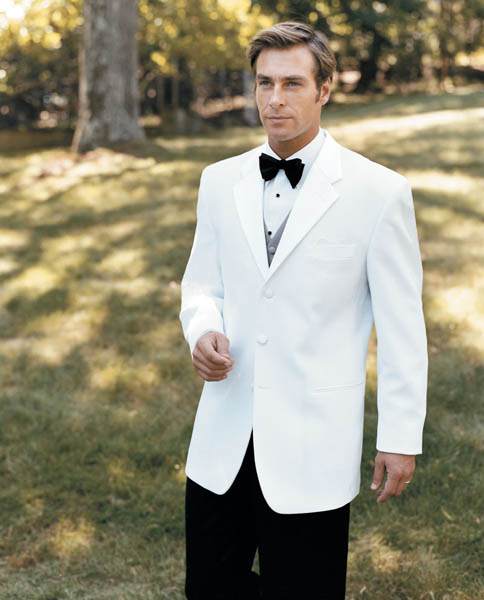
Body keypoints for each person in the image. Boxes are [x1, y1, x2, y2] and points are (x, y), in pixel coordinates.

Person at [179, 21, 428, 600]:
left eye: (292, 84)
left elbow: (402, 329)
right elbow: (201, 286)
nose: (275, 99)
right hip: (222, 440)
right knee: (209, 588)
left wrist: (399, 437)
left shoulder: (379, 192)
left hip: (313, 445)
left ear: (324, 90)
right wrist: (203, 328)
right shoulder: (218, 181)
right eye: (264, 83)